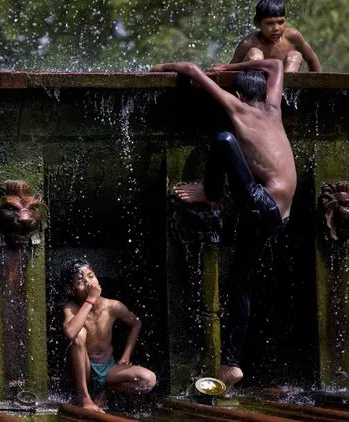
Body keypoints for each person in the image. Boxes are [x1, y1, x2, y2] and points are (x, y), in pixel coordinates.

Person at [150, 58, 296, 390]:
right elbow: (274, 64)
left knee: (224, 140)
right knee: (239, 283)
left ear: (241, 96)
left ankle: (211, 193)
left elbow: (189, 69)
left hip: (262, 206)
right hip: (278, 215)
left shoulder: (238, 108)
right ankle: (231, 364)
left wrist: (158, 68)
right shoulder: (273, 107)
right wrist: (241, 66)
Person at [61, 258, 156, 413]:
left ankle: (106, 389)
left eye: (91, 276)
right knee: (80, 334)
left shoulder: (112, 306)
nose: (89, 283)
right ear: (72, 290)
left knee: (148, 380)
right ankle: (84, 397)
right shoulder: (71, 308)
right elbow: (71, 332)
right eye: (80, 281)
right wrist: (90, 299)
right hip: (85, 369)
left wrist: (125, 357)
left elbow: (136, 323)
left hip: (108, 369)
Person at [230, 0, 321, 72]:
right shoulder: (248, 43)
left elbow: (312, 59)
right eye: (269, 23)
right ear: (257, 23)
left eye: (281, 22)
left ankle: (285, 92)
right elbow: (229, 70)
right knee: (255, 53)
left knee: (295, 55)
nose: (276, 28)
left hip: (284, 86)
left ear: (286, 20)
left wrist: (318, 88)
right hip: (257, 87)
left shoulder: (292, 37)